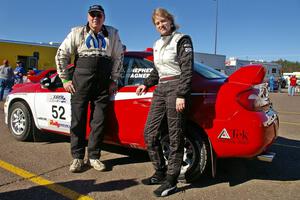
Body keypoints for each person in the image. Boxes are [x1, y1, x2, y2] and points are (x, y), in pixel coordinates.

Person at [55, 4, 123, 173]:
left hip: (102, 84)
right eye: (92, 15)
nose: (95, 18)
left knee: (98, 121)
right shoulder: (77, 32)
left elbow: (118, 57)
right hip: (81, 82)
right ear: (88, 17)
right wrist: (64, 79)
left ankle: (94, 157)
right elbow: (61, 54)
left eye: (99, 15)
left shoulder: (113, 33)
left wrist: (114, 79)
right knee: (77, 121)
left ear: (103, 18)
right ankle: (77, 157)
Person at [136, 8, 194, 197]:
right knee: (149, 134)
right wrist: (145, 84)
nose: (160, 25)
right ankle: (160, 172)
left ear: (170, 21)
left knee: (176, 136)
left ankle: (171, 181)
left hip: (176, 87)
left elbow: (187, 68)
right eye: (157, 23)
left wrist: (181, 94)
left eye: (163, 21)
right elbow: (157, 70)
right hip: (160, 88)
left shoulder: (182, 39)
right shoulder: (157, 43)